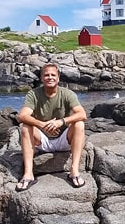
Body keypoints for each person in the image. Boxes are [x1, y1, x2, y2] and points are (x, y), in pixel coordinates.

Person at [15, 62, 87, 191]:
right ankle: (28, 174)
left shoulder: (67, 94)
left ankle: (74, 170)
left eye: (53, 75)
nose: (50, 77)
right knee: (26, 126)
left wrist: (61, 122)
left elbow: (82, 114)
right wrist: (41, 124)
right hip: (42, 141)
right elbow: (22, 116)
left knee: (79, 124)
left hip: (64, 140)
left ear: (58, 78)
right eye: (46, 75)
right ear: (42, 78)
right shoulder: (33, 94)